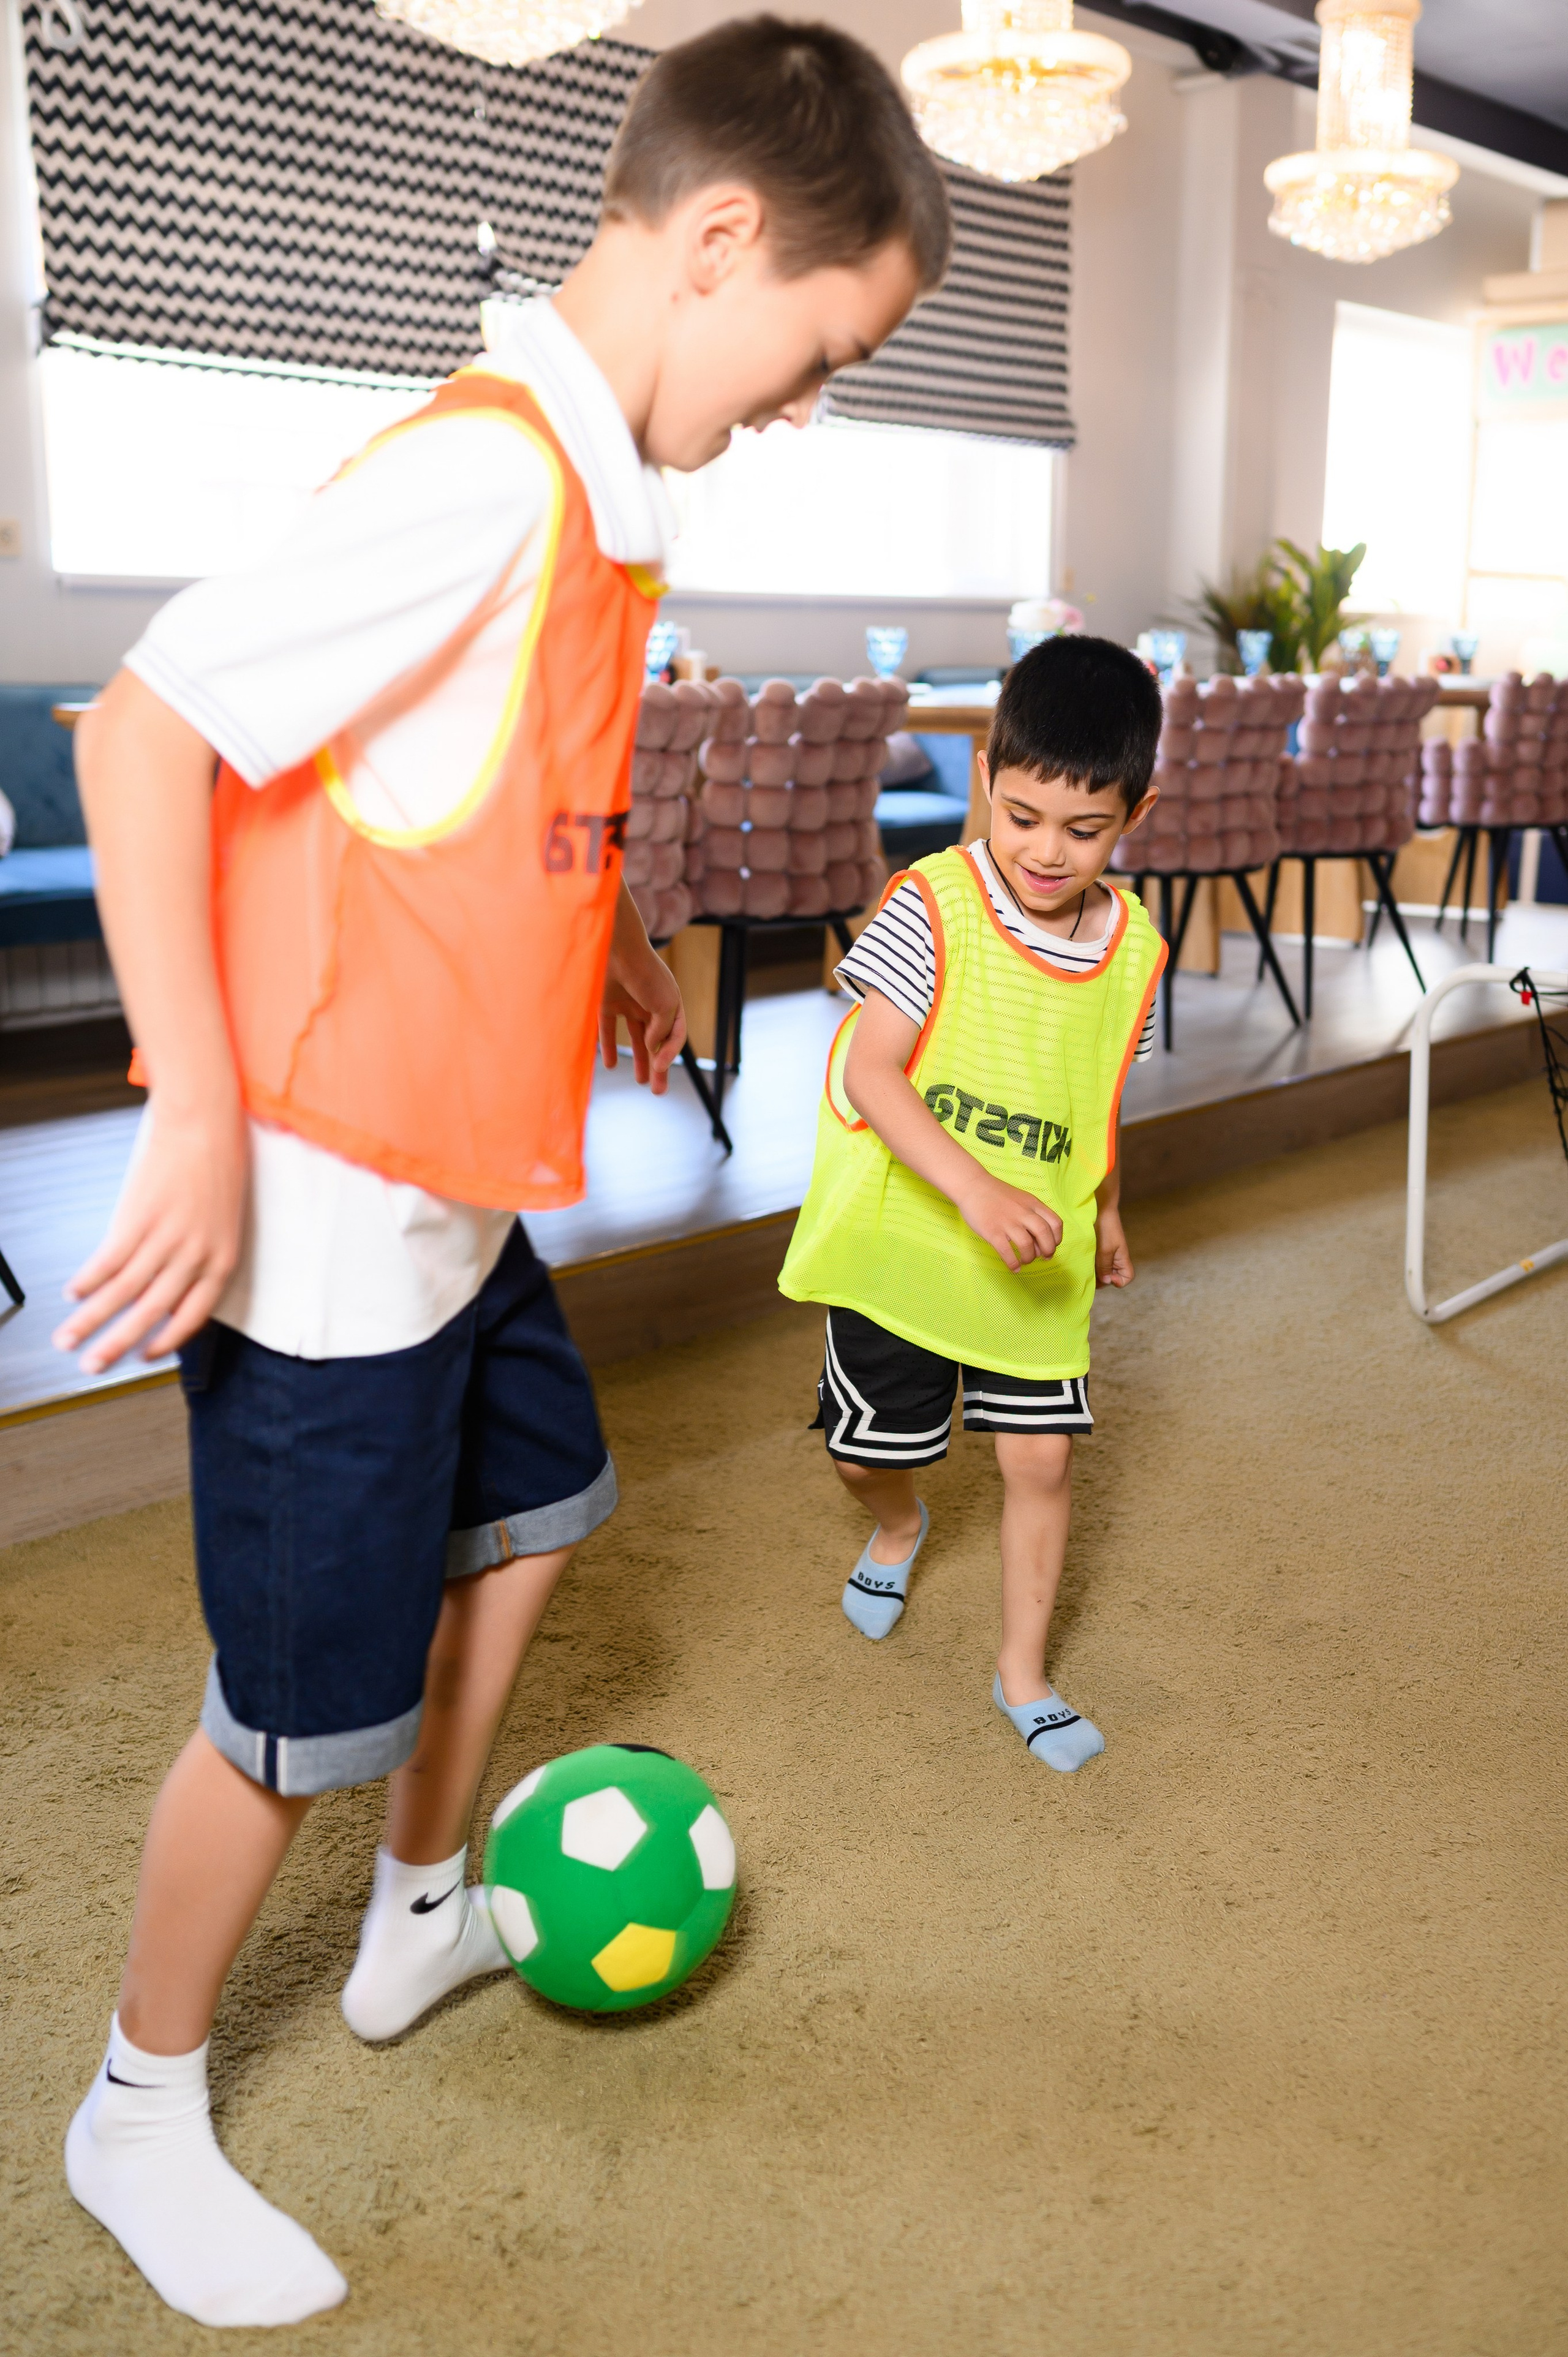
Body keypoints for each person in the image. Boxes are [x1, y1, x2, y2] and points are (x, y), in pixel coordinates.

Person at [56, 18, 951, 2328]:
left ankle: (427, 1898)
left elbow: (490, 808)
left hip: (457, 1207)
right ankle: (138, 2100)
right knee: (287, 1721)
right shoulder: (484, 475)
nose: (801, 404)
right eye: (814, 355)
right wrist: (180, 1098)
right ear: (720, 242)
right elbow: (146, 726)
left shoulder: (593, 501)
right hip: (326, 1232)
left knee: (543, 1505)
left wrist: (625, 960)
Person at [779, 635, 1164, 1771]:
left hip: (1034, 1255)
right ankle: (899, 1525)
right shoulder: (932, 905)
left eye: (1083, 830)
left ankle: (1024, 1675)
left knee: (1041, 1461)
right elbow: (870, 1071)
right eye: (1022, 815)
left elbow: (1098, 1095)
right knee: (871, 1454)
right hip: (908, 1240)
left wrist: (1105, 1207)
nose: (1047, 852)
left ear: (1134, 815)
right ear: (989, 774)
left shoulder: (1135, 947)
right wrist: (974, 1186)